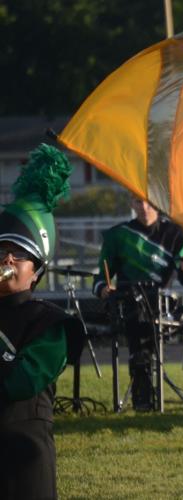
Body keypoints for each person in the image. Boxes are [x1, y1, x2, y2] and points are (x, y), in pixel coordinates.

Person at [0, 144, 85, 499]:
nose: (7, 258)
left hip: (24, 459)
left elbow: (18, 383)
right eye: (2, 249)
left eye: (20, 254)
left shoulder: (51, 324)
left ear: (36, 272)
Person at [92, 197, 183, 409]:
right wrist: (104, 289)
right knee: (139, 318)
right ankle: (143, 395)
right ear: (131, 205)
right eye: (137, 202)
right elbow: (99, 280)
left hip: (165, 308)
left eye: (149, 203)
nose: (144, 208)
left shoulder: (176, 233)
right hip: (131, 306)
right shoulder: (118, 235)